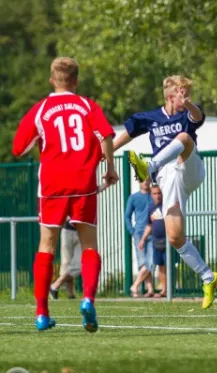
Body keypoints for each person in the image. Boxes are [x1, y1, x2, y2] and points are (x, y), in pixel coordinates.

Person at [12, 57, 119, 332]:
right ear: (76, 81)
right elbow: (105, 134)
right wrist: (109, 168)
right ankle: (87, 299)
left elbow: (19, 148)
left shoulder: (41, 109)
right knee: (90, 246)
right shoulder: (87, 105)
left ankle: (41, 314)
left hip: (52, 186)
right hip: (83, 182)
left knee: (46, 246)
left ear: (52, 80)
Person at [113, 75, 217, 308]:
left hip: (190, 168)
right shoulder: (150, 118)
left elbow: (198, 116)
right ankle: (208, 277)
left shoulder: (188, 114)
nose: (187, 97)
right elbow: (125, 135)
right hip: (169, 178)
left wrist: (189, 104)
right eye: (183, 94)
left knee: (184, 137)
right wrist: (104, 153)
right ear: (172, 96)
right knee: (175, 237)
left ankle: (149, 166)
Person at [126, 179, 155, 297]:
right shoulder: (133, 197)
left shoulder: (154, 195)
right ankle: (150, 289)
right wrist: (131, 231)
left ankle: (135, 286)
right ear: (139, 181)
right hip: (138, 232)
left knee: (151, 261)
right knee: (143, 262)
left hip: (152, 232)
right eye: (143, 180)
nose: (146, 183)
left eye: (148, 180)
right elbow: (127, 216)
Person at [139, 184, 167, 297]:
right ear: (151, 195)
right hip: (156, 240)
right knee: (160, 266)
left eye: (159, 193)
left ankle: (166, 290)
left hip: (167, 240)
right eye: (155, 193)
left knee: (167, 266)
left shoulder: (166, 206)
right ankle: (164, 290)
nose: (157, 196)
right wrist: (142, 239)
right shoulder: (151, 208)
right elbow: (149, 226)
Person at [49, 218, 81, 300]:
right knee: (66, 263)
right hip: (67, 229)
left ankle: (55, 285)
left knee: (80, 263)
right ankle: (71, 294)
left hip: (83, 230)